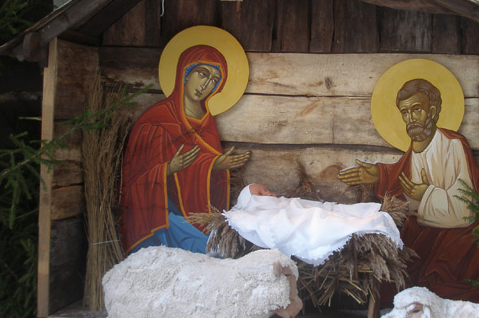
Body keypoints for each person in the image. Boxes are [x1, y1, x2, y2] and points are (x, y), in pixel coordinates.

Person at [339, 78, 479, 311]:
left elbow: (465, 206)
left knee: (439, 282)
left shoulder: (454, 145)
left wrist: (427, 193)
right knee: (393, 279)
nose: (411, 118)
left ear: (432, 111)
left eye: (417, 109)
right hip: (425, 231)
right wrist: (378, 174)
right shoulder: (415, 149)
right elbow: (400, 177)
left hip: (457, 233)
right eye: (405, 112)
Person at [119, 44, 250, 255]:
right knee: (208, 252)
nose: (205, 85)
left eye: (214, 81)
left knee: (214, 253)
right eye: (202, 74)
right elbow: (134, 178)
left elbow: (207, 173)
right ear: (185, 73)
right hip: (160, 213)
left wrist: (215, 165)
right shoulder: (155, 120)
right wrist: (168, 168)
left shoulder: (207, 122)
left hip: (194, 211)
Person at [222, 183, 402, 266]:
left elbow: (307, 206)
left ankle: (355, 219)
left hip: (306, 214)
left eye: (267, 190)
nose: (268, 194)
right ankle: (352, 223)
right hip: (300, 221)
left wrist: (303, 209)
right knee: (318, 219)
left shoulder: (283, 201)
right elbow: (269, 223)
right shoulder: (255, 214)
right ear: (250, 202)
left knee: (325, 214)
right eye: (261, 194)